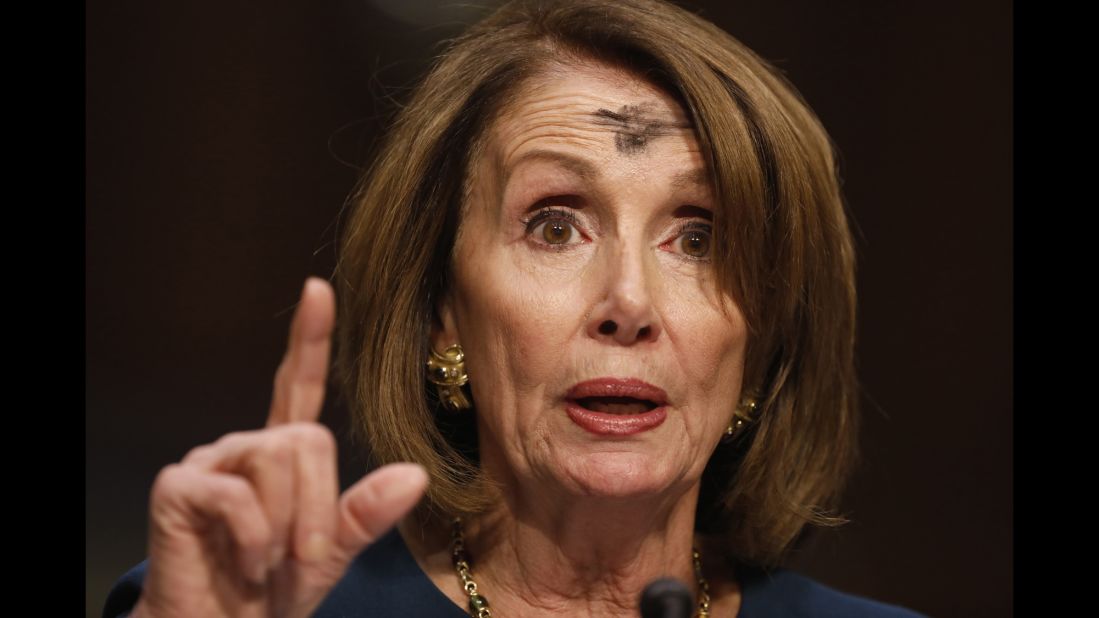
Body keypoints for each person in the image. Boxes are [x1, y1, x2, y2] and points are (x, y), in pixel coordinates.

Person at [103, 0, 928, 616]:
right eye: (555, 225)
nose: (628, 304)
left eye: (698, 238)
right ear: (441, 312)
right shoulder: (249, 607)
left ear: (764, 331)